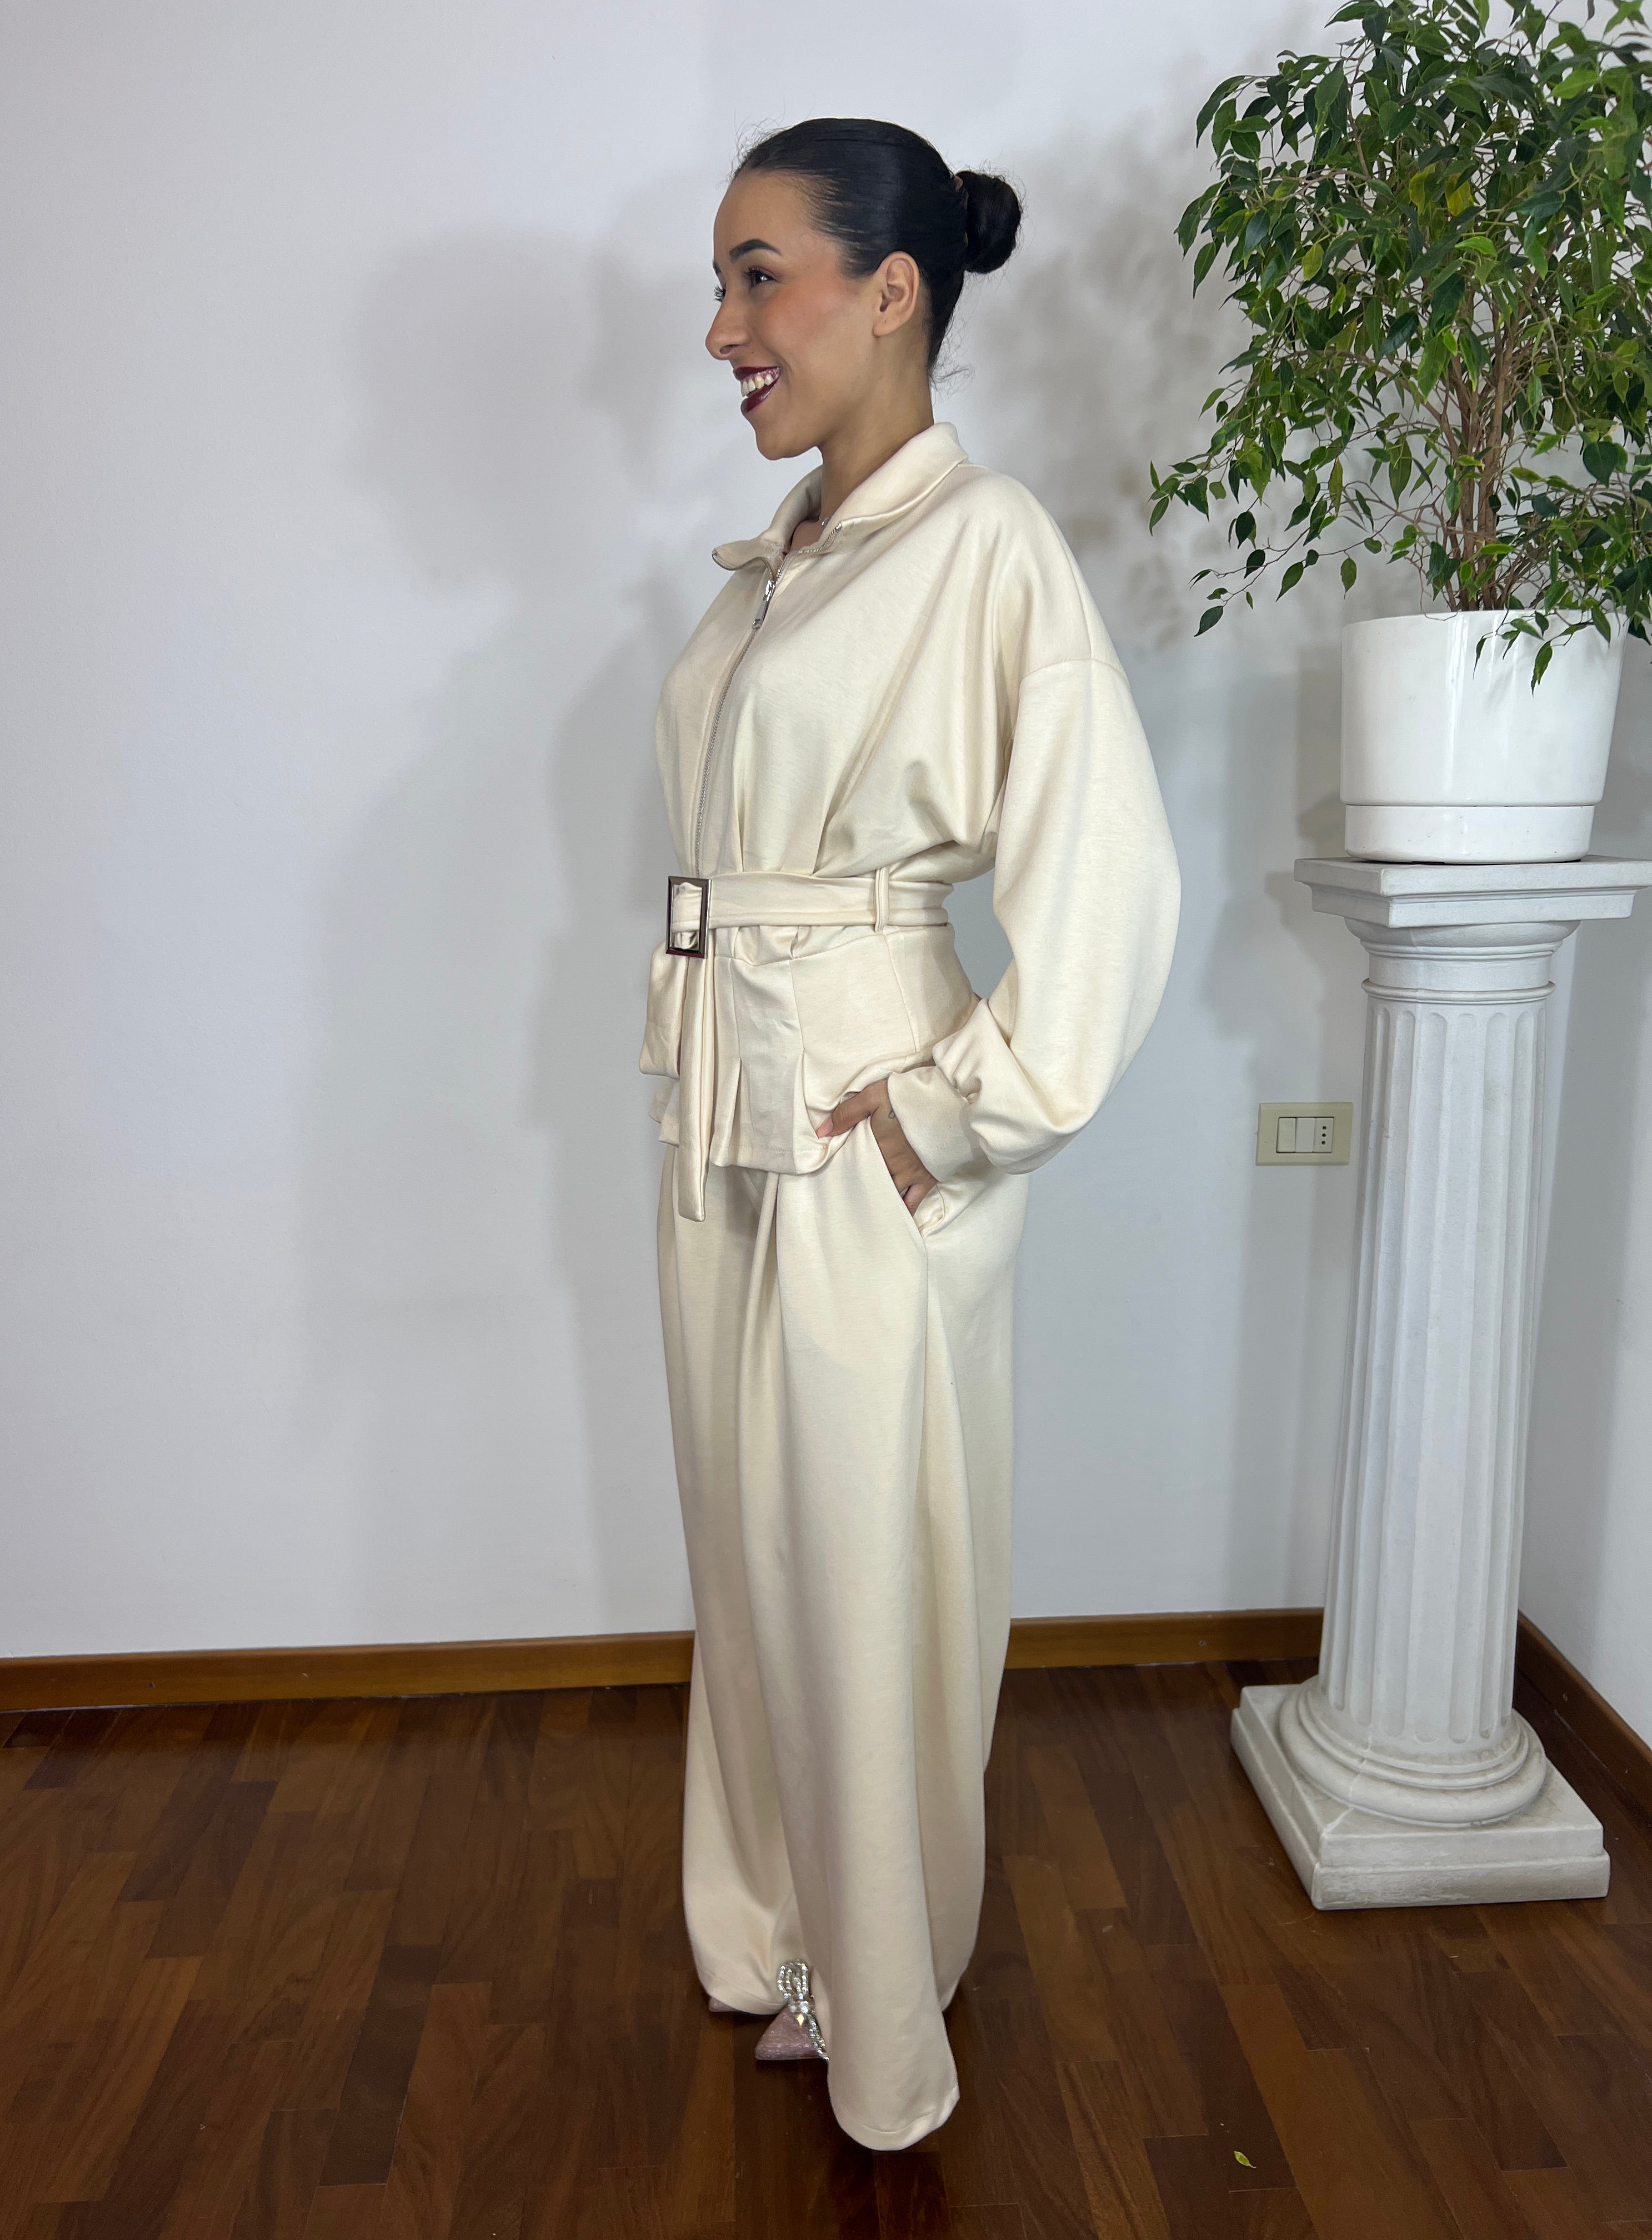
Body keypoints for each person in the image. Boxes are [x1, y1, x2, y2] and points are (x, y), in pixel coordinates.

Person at [638, 116, 1180, 2152]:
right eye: (719, 282)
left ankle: (882, 2006)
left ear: (891, 291)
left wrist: (959, 1115)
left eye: (757, 276)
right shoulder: (786, 561)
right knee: (751, 1551)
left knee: (869, 1568)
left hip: (863, 1117)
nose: (723, 329)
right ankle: (787, 1933)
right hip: (721, 1105)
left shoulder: (988, 546)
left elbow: (1108, 876)